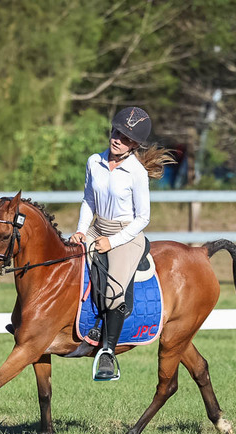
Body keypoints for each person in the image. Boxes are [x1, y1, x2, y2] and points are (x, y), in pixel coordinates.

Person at [70, 106, 170, 381]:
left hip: (126, 235)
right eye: (116, 133)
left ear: (134, 145)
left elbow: (143, 218)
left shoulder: (136, 172)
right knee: (65, 263)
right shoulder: (94, 161)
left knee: (113, 292)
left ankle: (107, 352)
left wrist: (112, 242)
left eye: (125, 138)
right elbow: (89, 200)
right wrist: (81, 231)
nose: (117, 139)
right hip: (96, 228)